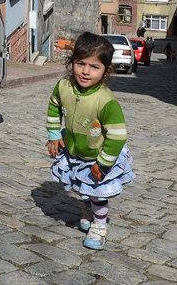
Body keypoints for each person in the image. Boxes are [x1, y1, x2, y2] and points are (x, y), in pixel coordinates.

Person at [45, 32, 135, 250]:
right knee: (82, 185)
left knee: (97, 190)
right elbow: (54, 106)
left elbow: (117, 135)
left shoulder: (106, 101)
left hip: (99, 154)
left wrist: (103, 163)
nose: (85, 71)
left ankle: (100, 225)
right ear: (72, 62)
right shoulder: (64, 86)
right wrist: (55, 135)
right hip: (75, 149)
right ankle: (88, 210)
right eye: (80, 63)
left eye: (94, 67)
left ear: (106, 70)